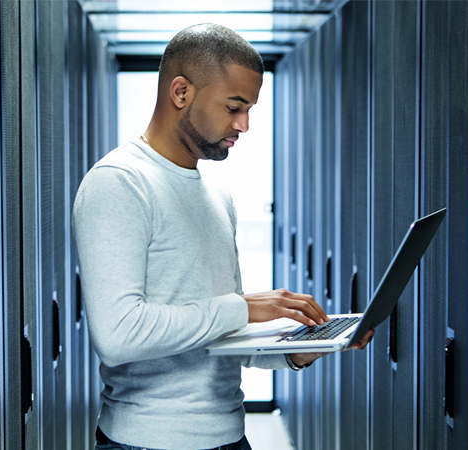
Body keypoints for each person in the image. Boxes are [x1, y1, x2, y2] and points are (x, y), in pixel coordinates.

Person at [73, 23, 374, 450]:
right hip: (146, 443)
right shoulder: (119, 183)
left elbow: (224, 338)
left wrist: (305, 349)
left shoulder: (216, 194)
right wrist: (243, 308)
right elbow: (119, 336)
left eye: (250, 108)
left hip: (231, 438)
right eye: (235, 106)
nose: (245, 124)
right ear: (181, 93)